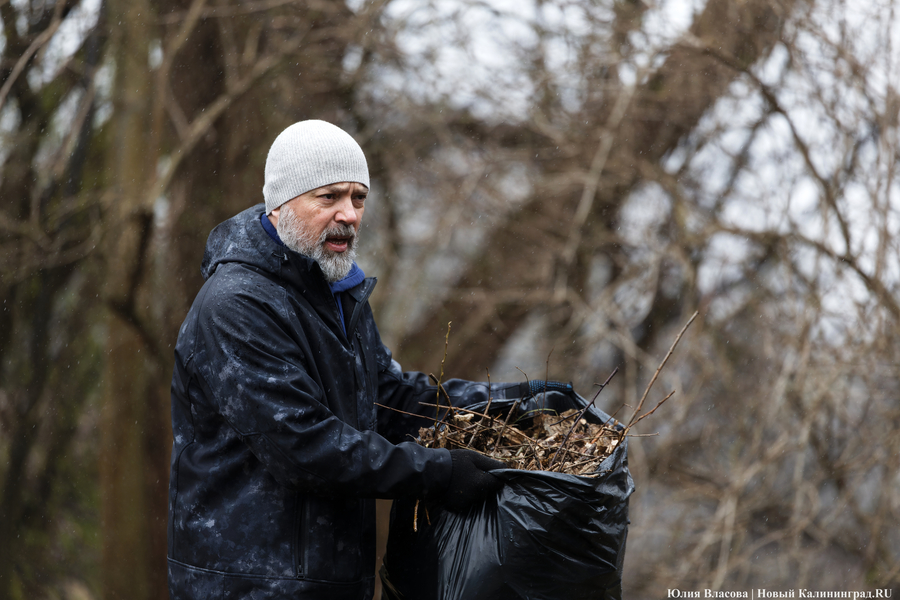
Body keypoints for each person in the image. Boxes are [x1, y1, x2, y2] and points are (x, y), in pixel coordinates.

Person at [167, 120, 560, 599]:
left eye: (358, 198)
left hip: (332, 583)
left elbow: (390, 398)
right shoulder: (236, 306)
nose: (349, 215)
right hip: (250, 587)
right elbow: (304, 449)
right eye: (328, 197)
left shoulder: (339, 290)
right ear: (281, 204)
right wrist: (438, 473)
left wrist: (516, 403)